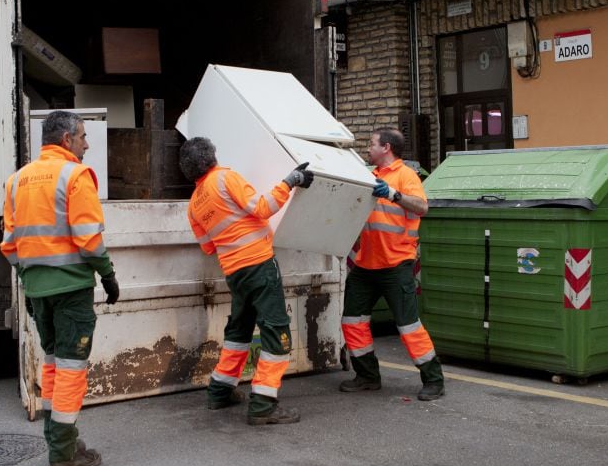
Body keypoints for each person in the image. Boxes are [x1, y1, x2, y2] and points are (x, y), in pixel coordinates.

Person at [0, 110, 120, 466]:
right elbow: (88, 239)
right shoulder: (75, 175)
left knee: (53, 363)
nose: (87, 143)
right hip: (71, 290)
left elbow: (10, 244)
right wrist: (108, 276)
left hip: (38, 291)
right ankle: (64, 456)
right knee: (71, 369)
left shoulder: (16, 181)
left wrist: (31, 279)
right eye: (83, 136)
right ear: (66, 139)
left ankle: (60, 441)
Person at [179, 136, 313, 426]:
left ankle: (219, 391)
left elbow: (208, 247)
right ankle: (263, 404)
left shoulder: (193, 206)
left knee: (239, 332)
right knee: (277, 332)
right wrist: (291, 180)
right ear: (212, 156)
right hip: (259, 265)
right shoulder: (226, 179)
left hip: (235, 273)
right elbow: (264, 207)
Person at [339, 128, 445, 400]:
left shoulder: (405, 176)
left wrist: (394, 194)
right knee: (352, 321)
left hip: (396, 264)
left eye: (372, 144)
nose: (368, 148)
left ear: (386, 147)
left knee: (408, 325)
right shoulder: (369, 176)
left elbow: (422, 208)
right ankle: (367, 376)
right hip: (365, 265)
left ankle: (433, 380)